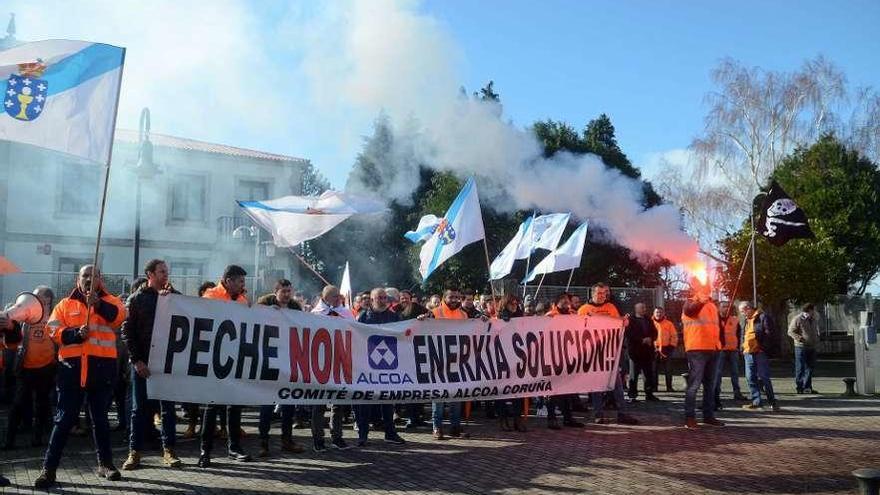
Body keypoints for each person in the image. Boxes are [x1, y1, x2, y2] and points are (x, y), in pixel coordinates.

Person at [34, 265, 127, 489]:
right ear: (78, 278)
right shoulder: (64, 305)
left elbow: (118, 318)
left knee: (100, 420)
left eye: (94, 276)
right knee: (64, 420)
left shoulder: (112, 301)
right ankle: (49, 468)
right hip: (71, 372)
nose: (89, 279)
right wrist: (75, 334)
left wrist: (97, 304)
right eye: (85, 275)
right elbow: (53, 330)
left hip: (101, 371)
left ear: (100, 280)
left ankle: (105, 464)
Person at [120, 260, 182, 470]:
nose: (166, 275)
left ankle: (169, 451)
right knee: (139, 409)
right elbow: (127, 333)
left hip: (167, 363)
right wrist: (136, 361)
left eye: (167, 271)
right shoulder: (136, 299)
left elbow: (190, 314)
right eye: (162, 272)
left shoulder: (173, 297)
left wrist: (172, 297)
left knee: (168, 409)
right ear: (150, 274)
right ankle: (134, 453)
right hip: (143, 363)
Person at [198, 265, 252, 468]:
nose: (242, 286)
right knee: (212, 406)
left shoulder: (242, 300)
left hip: (234, 358)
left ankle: (234, 448)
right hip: (214, 359)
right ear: (228, 280)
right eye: (240, 282)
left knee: (235, 405)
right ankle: (205, 450)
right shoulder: (211, 296)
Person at [254, 279, 306, 457]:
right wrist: (266, 313)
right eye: (283, 291)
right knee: (267, 403)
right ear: (275, 291)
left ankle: (287, 440)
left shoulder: (295, 307)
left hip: (288, 358)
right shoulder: (264, 303)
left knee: (288, 402)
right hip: (269, 357)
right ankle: (263, 442)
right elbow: (252, 318)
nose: (286, 295)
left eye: (289, 291)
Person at [3, 286, 55, 450]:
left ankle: (37, 438)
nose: (34, 299)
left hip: (46, 367)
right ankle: (9, 441)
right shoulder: (26, 315)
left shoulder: (55, 315)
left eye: (39, 297)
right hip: (26, 367)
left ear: (48, 299)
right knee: (18, 404)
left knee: (41, 404)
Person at [580, 284, 639, 425]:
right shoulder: (584, 310)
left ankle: (623, 413)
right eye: (599, 293)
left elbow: (617, 323)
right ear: (592, 294)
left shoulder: (611, 307)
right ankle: (598, 414)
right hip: (593, 353)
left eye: (604, 293)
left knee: (617, 383)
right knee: (596, 385)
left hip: (610, 352)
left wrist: (623, 322)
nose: (602, 296)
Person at [355, 288, 407, 446]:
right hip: (367, 365)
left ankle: (390, 433)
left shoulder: (394, 316)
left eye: (385, 297)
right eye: (379, 297)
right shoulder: (363, 317)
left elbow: (403, 334)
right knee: (365, 402)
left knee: (387, 401)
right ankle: (363, 435)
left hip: (388, 365)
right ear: (371, 299)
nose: (383, 300)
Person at [420, 288, 470, 439]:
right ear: (444, 298)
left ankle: (455, 427)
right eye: (451, 297)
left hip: (457, 360)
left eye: (456, 297)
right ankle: (437, 427)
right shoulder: (436, 313)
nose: (454, 299)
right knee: (439, 396)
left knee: (456, 396)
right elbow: (423, 327)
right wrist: (422, 319)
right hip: (439, 361)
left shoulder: (463, 314)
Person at [310, 285, 352, 451]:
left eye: (338, 297)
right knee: (319, 404)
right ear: (326, 298)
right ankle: (318, 440)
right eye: (335, 297)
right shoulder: (315, 314)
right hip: (320, 363)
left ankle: (337, 437)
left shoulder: (346, 313)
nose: (338, 299)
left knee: (338, 403)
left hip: (340, 361)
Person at [680, 285, 724, 429]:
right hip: (697, 349)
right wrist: (701, 301)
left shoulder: (712, 305)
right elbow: (690, 312)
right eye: (704, 289)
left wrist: (720, 344)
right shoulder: (690, 302)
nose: (708, 291)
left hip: (714, 349)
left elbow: (718, 326)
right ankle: (690, 418)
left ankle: (708, 416)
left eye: (708, 289)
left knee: (710, 386)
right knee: (694, 385)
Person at [544, 293, 584, 429]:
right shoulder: (550, 315)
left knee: (568, 389)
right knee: (553, 390)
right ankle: (551, 418)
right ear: (557, 302)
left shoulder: (573, 315)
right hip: (553, 357)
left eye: (568, 300)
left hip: (569, 357)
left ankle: (568, 418)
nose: (567, 302)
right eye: (564, 300)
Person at [395, 290, 429, 429]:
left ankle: (417, 417)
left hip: (418, 351)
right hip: (402, 352)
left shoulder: (417, 308)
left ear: (411, 299)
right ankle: (410, 417)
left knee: (419, 386)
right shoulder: (395, 311)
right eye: (402, 298)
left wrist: (424, 317)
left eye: (406, 298)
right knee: (407, 386)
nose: (404, 300)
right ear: (399, 299)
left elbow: (430, 315)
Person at [740, 301, 780, 411]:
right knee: (750, 378)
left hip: (759, 352)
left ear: (748, 308)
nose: (742, 314)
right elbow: (744, 335)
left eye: (743, 311)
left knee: (764, 377)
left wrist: (763, 348)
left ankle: (772, 402)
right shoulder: (746, 320)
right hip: (748, 352)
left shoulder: (763, 317)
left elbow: (769, 333)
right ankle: (756, 401)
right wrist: (742, 347)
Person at [496, 294, 526, 432]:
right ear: (505, 305)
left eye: (516, 303)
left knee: (518, 392)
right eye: (511, 304)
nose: (514, 306)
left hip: (518, 358)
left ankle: (517, 420)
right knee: (502, 392)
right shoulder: (499, 318)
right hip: (502, 359)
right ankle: (503, 420)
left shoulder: (522, 317)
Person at [715, 302, 746, 406]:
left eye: (727, 307)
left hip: (733, 349)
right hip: (720, 350)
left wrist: (739, 346)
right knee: (718, 373)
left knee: (735, 372)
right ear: (719, 309)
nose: (726, 309)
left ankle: (737, 393)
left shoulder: (734, 319)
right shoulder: (715, 320)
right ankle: (716, 394)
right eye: (723, 307)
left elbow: (739, 333)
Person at [626, 302, 659, 402]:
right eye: (642, 308)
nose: (644, 309)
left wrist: (651, 338)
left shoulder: (648, 319)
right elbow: (629, 334)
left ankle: (649, 394)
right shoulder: (630, 320)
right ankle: (632, 395)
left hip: (648, 351)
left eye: (644, 307)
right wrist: (641, 340)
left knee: (648, 374)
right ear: (636, 309)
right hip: (635, 352)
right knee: (633, 375)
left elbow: (655, 332)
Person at [788, 303, 820, 394]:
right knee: (800, 367)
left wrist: (817, 338)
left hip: (812, 346)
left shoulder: (813, 319)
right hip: (801, 347)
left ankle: (807, 387)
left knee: (810, 367)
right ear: (809, 310)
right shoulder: (798, 319)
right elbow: (790, 331)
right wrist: (800, 338)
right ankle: (799, 387)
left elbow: (815, 331)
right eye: (813, 310)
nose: (815, 312)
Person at [652, 307, 678, 393]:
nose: (658, 314)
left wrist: (671, 347)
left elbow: (674, 336)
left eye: (660, 312)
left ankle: (669, 387)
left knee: (668, 369)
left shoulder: (669, 324)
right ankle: (654, 387)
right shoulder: (650, 323)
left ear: (663, 313)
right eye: (657, 312)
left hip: (667, 349)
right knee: (654, 369)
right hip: (654, 350)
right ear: (654, 313)